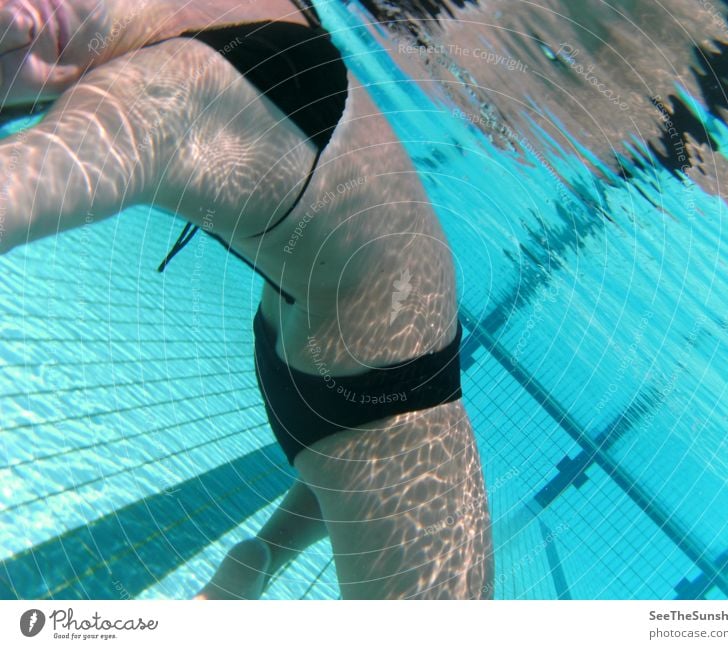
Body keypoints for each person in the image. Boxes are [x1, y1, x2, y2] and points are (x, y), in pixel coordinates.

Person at [0, 0, 493, 599]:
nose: (18, 23)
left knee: (344, 473)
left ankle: (263, 561)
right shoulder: (141, 98)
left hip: (344, 358)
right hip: (390, 388)